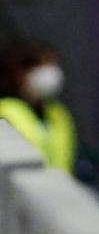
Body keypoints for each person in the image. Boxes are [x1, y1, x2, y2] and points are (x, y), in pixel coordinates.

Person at [0, 40, 76, 174]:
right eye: (40, 66)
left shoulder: (58, 113)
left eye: (51, 65)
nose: (48, 74)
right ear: (19, 73)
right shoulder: (6, 110)